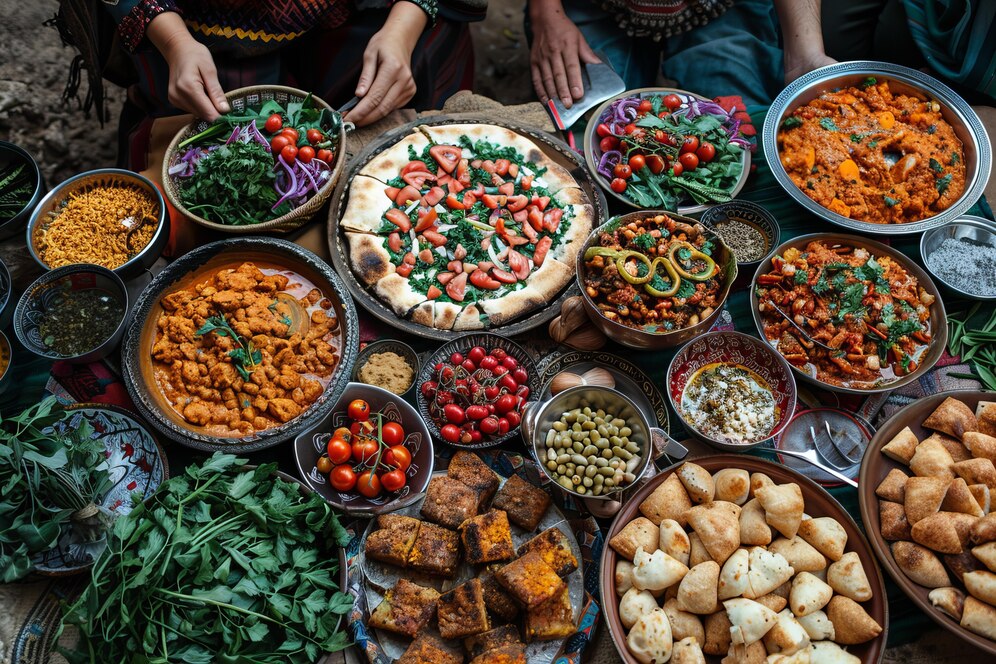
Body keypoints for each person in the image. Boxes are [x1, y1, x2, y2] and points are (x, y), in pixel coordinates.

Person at [103, 0, 475, 169]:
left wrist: (403, 28)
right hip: (204, 21)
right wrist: (173, 42)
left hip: (359, 9)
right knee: (212, 130)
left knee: (421, 54)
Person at [526, 0, 834, 109]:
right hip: (599, 5)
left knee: (742, 132)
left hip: (721, 8)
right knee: (585, 127)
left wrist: (805, 57)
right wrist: (546, 13)